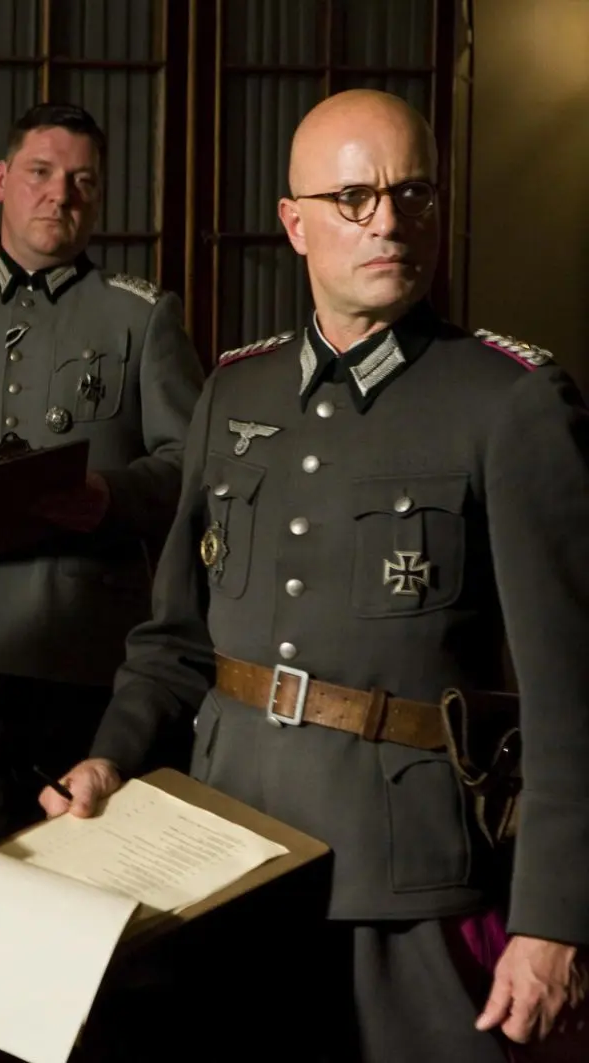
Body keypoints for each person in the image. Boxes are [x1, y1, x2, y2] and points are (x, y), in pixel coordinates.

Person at [45, 89, 589, 1061]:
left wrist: (554, 919)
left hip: (405, 877)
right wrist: (109, 756)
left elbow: (571, 694)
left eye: (412, 193)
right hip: (228, 851)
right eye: (353, 198)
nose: (388, 221)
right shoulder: (234, 389)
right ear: (295, 224)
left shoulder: (509, 401)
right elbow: (175, 640)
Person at [0, 103, 203, 841]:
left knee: (72, 863)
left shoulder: (140, 316)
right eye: (40, 172)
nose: (60, 194)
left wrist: (113, 497)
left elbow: (194, 467)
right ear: (1, 180)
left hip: (80, 651)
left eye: (82, 180)